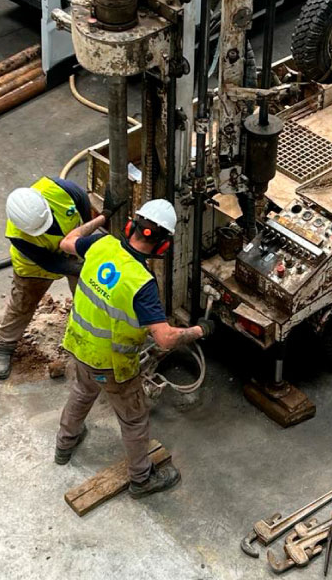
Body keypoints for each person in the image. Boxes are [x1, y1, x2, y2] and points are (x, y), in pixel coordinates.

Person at [54, 198, 213, 498]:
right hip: (111, 366)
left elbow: (67, 242)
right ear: (163, 246)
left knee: (82, 391)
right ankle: (141, 479)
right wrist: (199, 330)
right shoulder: (142, 284)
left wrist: (101, 218)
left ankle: (64, 444)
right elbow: (165, 339)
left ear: (130, 226)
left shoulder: (101, 245)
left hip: (78, 345)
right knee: (134, 420)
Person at [0, 176, 106, 380]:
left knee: (87, 296)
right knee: (22, 304)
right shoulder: (17, 234)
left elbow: (85, 215)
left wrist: (87, 239)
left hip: (73, 249)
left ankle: (87, 335)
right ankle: (5, 345)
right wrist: (88, 266)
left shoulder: (63, 191)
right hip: (34, 267)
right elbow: (53, 264)